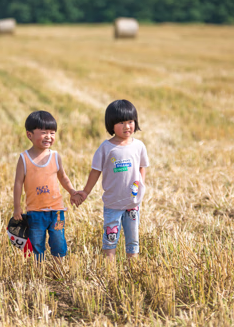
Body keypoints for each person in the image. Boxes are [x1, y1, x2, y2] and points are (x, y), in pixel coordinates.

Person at [73, 100, 149, 261]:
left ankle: (133, 268)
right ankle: (110, 270)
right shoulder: (106, 148)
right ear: (111, 125)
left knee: (133, 239)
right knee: (110, 240)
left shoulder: (139, 146)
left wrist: (141, 184)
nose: (127, 126)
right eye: (121, 122)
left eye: (130, 121)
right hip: (112, 204)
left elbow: (143, 166)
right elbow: (95, 171)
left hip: (133, 203)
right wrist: (85, 192)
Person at [13, 111, 78, 260]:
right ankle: (38, 270)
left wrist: (72, 191)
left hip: (57, 212)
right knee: (36, 244)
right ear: (29, 135)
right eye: (44, 132)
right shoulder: (24, 158)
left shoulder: (55, 156)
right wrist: (17, 207)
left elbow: (63, 177)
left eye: (52, 132)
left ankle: (58, 268)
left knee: (59, 241)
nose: (49, 136)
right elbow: (17, 184)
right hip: (35, 212)